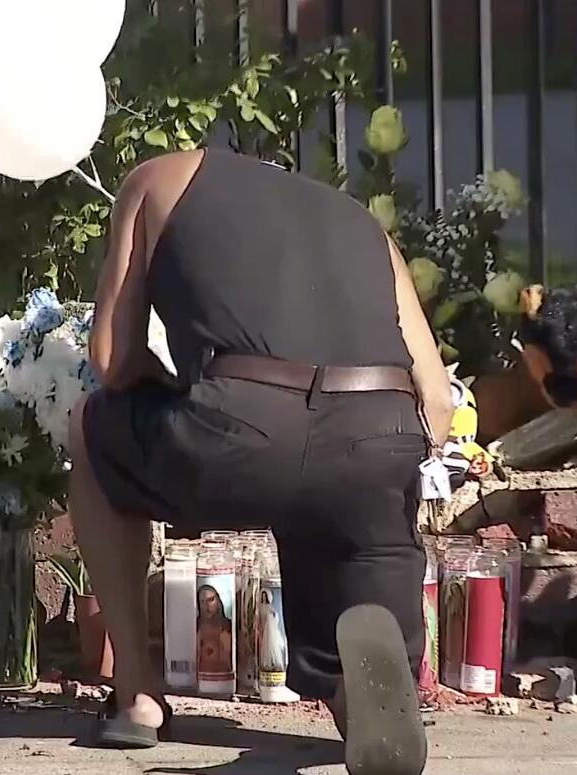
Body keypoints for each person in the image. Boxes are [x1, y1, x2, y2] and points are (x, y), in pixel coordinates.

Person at [68, 146, 452, 775]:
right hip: (378, 435)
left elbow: (111, 361)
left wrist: (176, 398)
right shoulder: (362, 222)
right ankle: (355, 695)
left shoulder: (160, 177)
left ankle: (136, 694)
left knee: (87, 428)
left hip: (241, 424)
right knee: (342, 532)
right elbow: (435, 399)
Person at [196, 585, 233, 681]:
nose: (207, 606)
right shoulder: (195, 627)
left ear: (218, 601)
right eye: (202, 602)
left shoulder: (228, 626)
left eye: (211, 600)